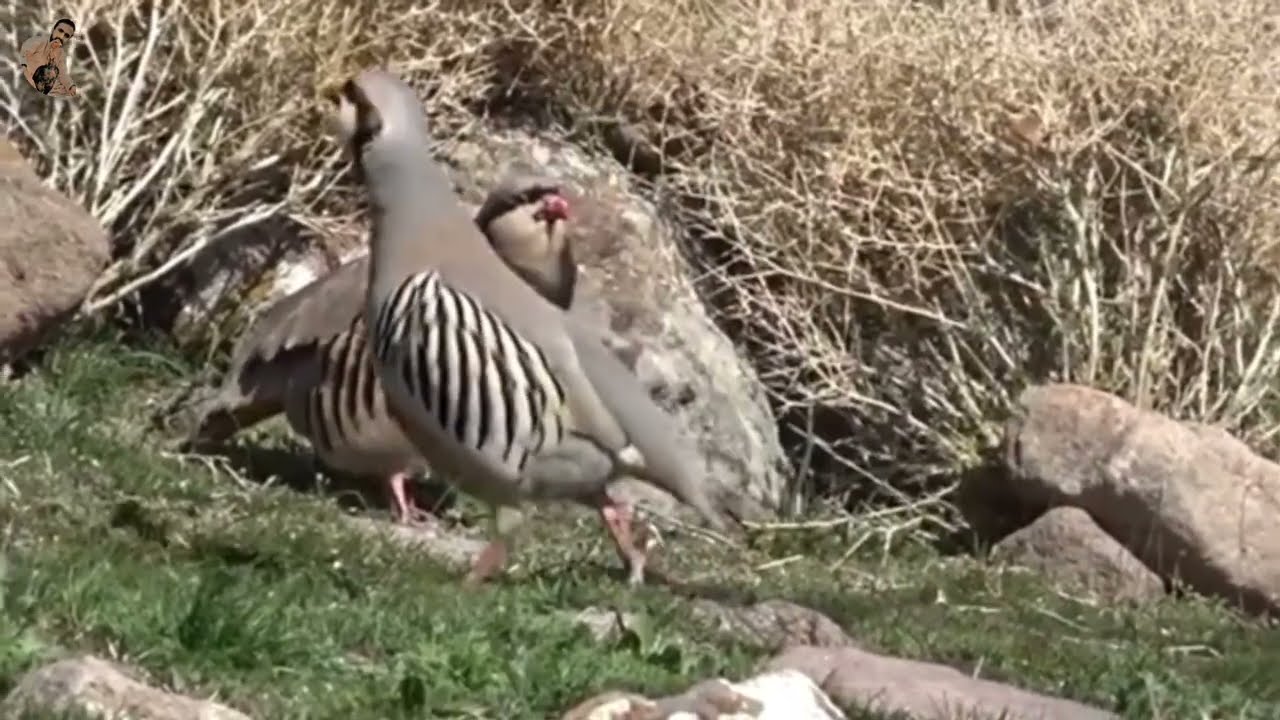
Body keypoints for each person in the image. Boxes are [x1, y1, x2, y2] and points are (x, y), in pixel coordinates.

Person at [19, 18, 77, 97]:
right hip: (25, 84)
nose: (62, 36)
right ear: (53, 29)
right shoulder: (37, 42)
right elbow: (23, 56)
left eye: (66, 35)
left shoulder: (60, 55)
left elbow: (62, 73)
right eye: (60, 31)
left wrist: (70, 86)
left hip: (42, 91)